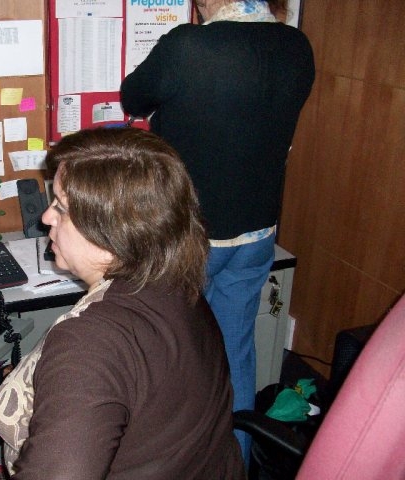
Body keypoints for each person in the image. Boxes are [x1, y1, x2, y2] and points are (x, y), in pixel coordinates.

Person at [119, 0, 315, 462]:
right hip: (257, 233)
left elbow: (133, 97)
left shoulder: (188, 46)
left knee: (170, 359)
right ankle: (235, 461)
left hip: (189, 240)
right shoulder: (296, 46)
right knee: (235, 352)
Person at [0, 127, 245, 479]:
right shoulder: (177, 282)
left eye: (61, 208)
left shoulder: (89, 343)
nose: (46, 217)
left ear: (111, 233)